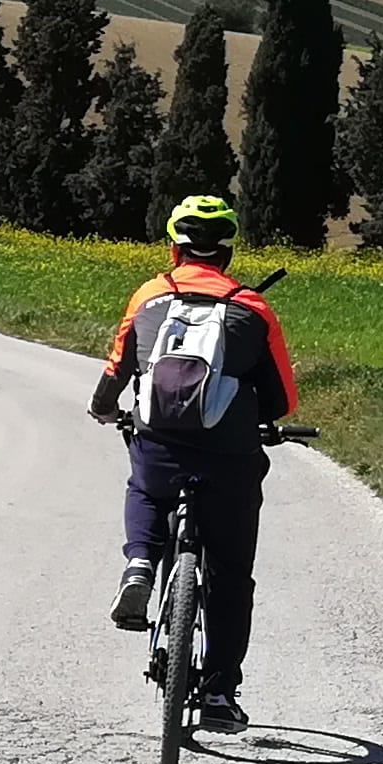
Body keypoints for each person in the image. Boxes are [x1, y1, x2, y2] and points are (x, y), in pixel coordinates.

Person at [90, 192, 298, 733]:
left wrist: (103, 407)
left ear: (174, 246)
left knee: (146, 487)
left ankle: (140, 560)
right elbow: (281, 402)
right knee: (231, 573)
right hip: (228, 453)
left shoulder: (151, 296)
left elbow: (118, 367)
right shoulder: (253, 308)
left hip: (161, 440)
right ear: (228, 251)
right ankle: (220, 692)